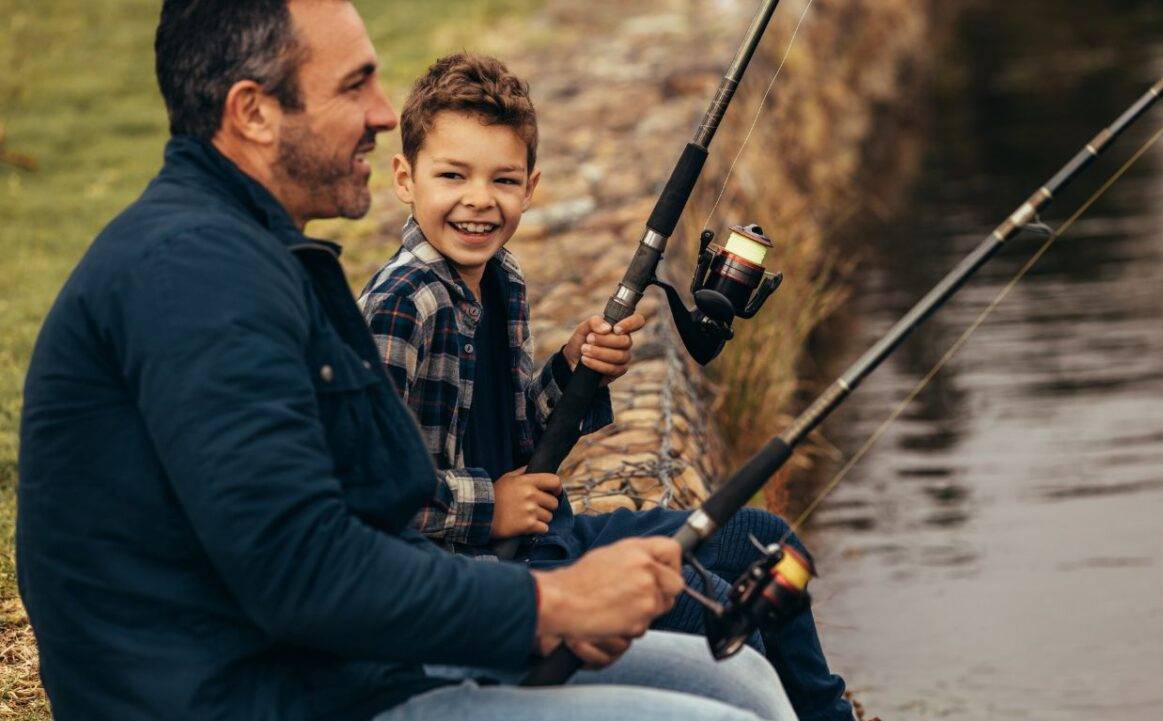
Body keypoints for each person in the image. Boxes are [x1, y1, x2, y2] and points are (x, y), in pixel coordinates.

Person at [15, 2, 798, 720]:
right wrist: (549, 602)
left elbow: (368, 516)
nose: (383, 115)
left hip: (346, 663)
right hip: (259, 696)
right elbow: (304, 566)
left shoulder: (257, 255)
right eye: (355, 86)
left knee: (746, 684)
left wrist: (520, 596)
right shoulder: (195, 277)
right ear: (254, 113)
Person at [358, 53, 854, 721]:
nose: (479, 199)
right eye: (453, 175)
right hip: (477, 580)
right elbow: (372, 491)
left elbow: (519, 434)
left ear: (530, 187)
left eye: (503, 179)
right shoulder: (400, 306)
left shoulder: (500, 276)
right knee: (704, 598)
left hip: (547, 538)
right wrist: (489, 505)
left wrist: (572, 369)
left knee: (768, 543)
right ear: (404, 179)